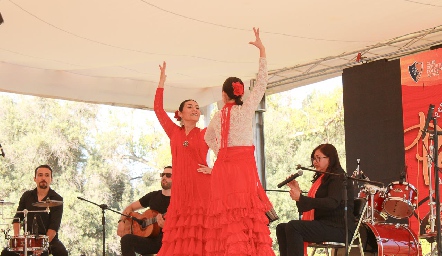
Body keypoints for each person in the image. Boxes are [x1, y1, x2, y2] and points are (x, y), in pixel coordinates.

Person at [203, 27, 275, 256]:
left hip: (224, 169)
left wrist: (221, 152)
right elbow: (262, 83)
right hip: (243, 167)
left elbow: (207, 137)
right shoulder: (247, 109)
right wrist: (262, 51)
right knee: (246, 211)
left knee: (227, 214)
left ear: (224, 95)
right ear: (241, 93)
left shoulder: (218, 115)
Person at [154, 62, 212, 256]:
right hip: (180, 192)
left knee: (202, 234)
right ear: (181, 113)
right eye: (190, 106)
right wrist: (161, 82)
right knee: (180, 238)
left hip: (202, 188)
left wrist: (215, 169)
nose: (195, 109)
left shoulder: (205, 133)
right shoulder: (174, 133)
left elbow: (227, 149)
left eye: (197, 107)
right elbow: (158, 110)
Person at [275, 143, 356, 256]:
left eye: (318, 158)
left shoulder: (338, 177)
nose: (314, 162)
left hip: (339, 228)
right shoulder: (322, 178)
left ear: (330, 158)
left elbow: (332, 203)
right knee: (281, 228)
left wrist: (302, 198)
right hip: (324, 224)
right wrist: (298, 193)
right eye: (313, 159)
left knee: (294, 227)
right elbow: (305, 207)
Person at [1, 165, 68, 256]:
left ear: (51, 179)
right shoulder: (26, 196)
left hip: (49, 239)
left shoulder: (57, 199)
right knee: (6, 253)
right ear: (35, 178)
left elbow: (54, 227)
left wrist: (42, 246)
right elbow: (17, 218)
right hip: (27, 239)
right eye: (40, 175)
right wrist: (17, 239)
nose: (43, 178)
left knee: (62, 252)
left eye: (47, 175)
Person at [117, 166, 172, 256]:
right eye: (163, 175)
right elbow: (130, 207)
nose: (164, 177)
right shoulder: (153, 196)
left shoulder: (177, 200)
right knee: (126, 240)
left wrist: (167, 226)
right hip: (149, 241)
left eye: (168, 175)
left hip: (167, 241)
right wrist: (121, 221)